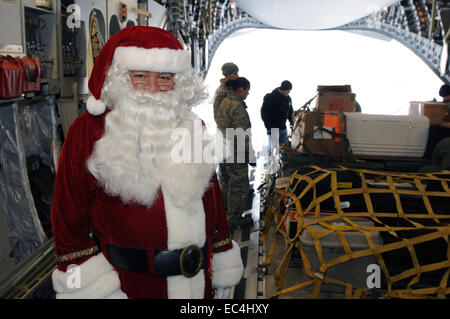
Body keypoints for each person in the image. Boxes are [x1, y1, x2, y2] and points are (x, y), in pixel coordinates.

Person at [50, 26, 244, 299]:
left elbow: (211, 198)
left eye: (164, 78)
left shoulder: (192, 125)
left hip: (197, 284)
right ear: (120, 78)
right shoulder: (89, 130)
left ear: (178, 82)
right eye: (140, 76)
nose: (153, 87)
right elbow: (67, 218)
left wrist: (223, 256)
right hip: (127, 286)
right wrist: (100, 291)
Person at [215, 77, 255, 230]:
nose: (247, 94)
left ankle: (224, 215)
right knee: (239, 188)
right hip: (236, 153)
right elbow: (242, 134)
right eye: (247, 91)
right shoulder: (237, 107)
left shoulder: (223, 102)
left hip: (223, 149)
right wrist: (250, 155)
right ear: (240, 89)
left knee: (225, 183)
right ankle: (234, 220)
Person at [261, 80, 294, 155]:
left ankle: (280, 164)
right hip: (273, 128)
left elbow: (290, 112)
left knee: (283, 148)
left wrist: (292, 122)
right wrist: (268, 127)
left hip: (283, 128)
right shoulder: (270, 97)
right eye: (288, 91)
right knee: (273, 149)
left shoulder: (288, 99)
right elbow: (264, 113)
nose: (289, 93)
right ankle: (269, 164)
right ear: (284, 89)